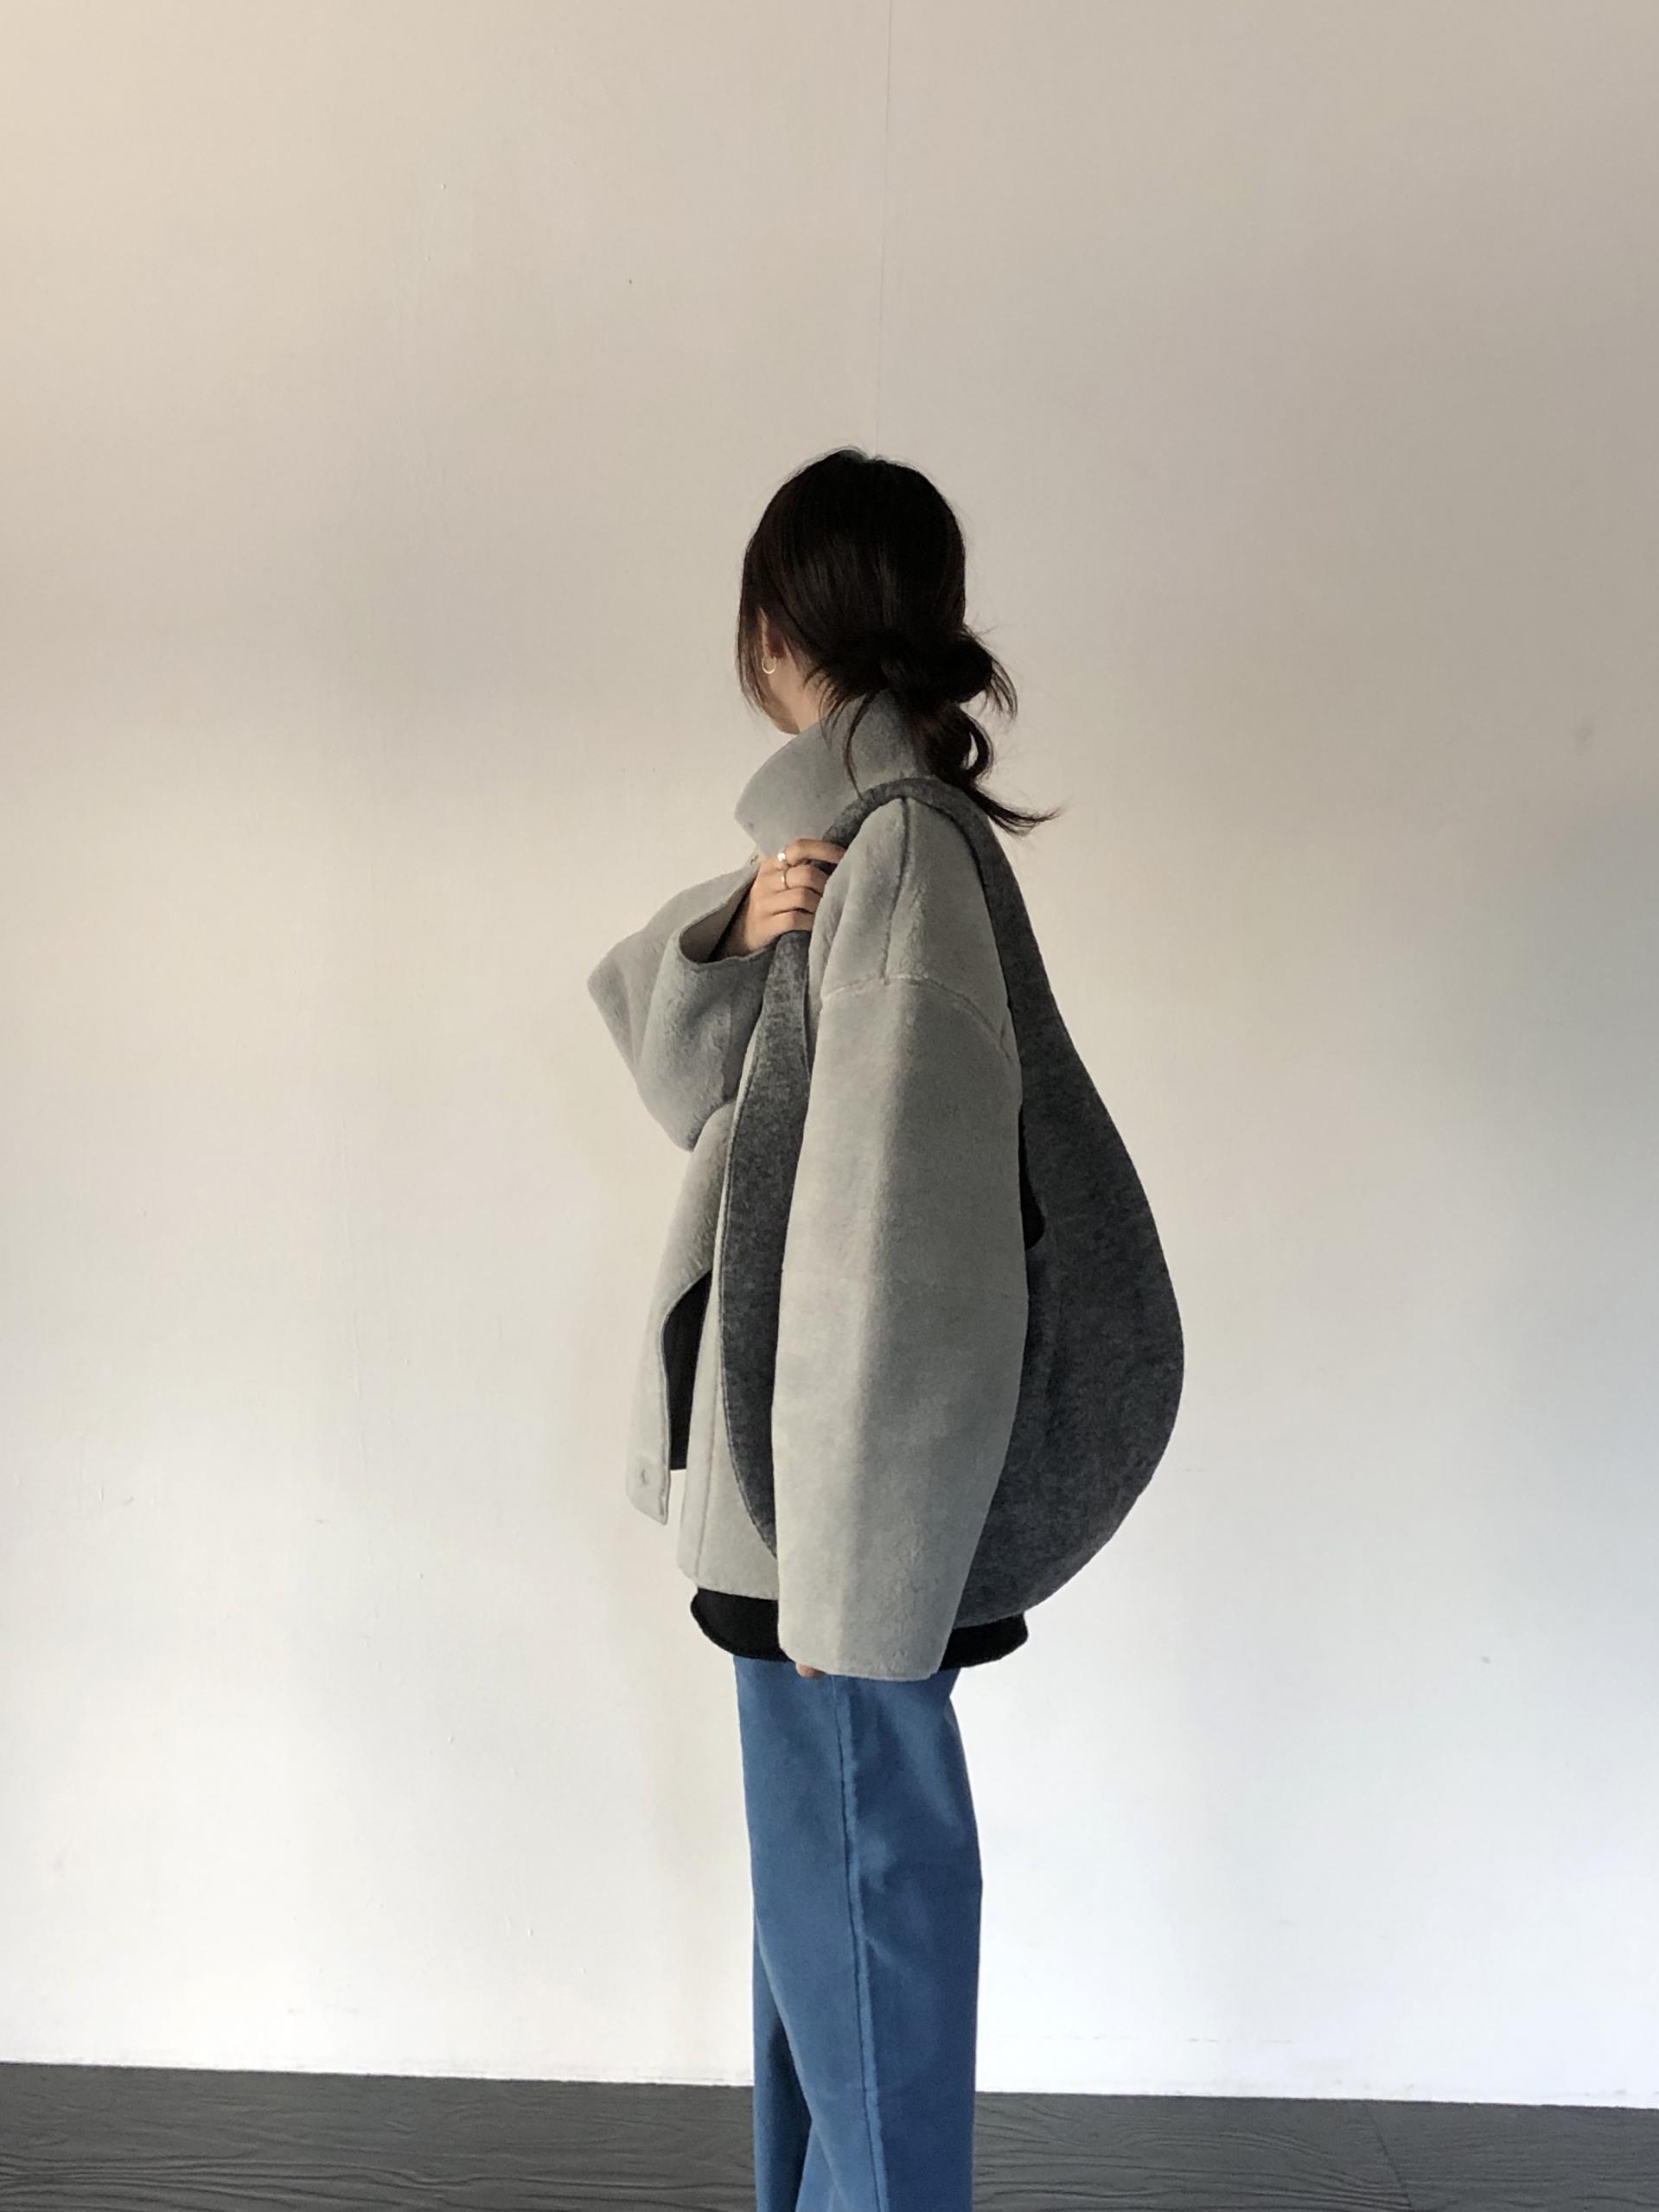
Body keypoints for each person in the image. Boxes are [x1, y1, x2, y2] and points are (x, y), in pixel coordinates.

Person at [587, 445, 1060, 2212]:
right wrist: (735, 918)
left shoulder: (905, 864)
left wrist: (854, 1580)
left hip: (833, 1528)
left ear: (779, 630)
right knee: (828, 1928)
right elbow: (684, 1082)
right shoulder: (844, 856)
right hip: (800, 1505)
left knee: (866, 1921)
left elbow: (910, 1259)